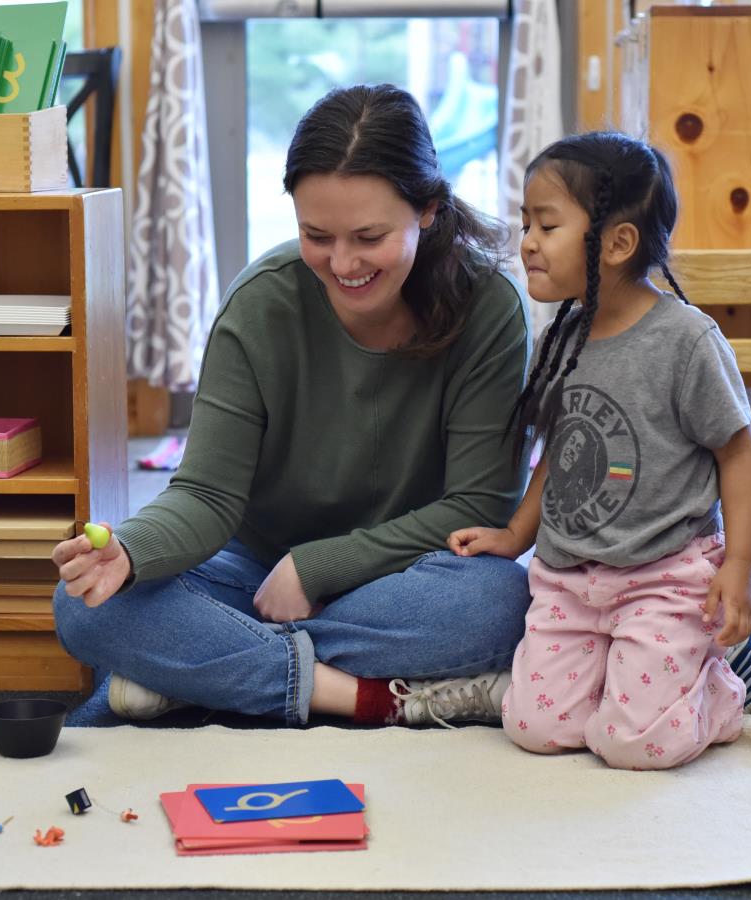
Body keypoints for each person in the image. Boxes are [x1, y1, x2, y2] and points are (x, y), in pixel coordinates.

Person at [51, 83, 533, 729]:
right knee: (85, 603)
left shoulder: (490, 307)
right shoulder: (260, 304)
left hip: (403, 574)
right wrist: (129, 551)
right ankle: (349, 692)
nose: (343, 262)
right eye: (317, 234)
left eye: (369, 236)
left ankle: (210, 669)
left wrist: (316, 565)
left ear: (427, 209)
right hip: (253, 571)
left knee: (501, 600)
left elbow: (480, 509)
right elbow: (206, 496)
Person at [448, 131, 751, 769]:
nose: (528, 242)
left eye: (546, 225)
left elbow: (739, 456)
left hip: (664, 576)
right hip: (570, 578)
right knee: (535, 728)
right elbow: (562, 453)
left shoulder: (686, 342)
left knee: (634, 745)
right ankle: (626, 671)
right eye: (525, 223)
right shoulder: (561, 338)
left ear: (618, 244)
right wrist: (516, 534)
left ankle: (717, 689)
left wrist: (738, 567)